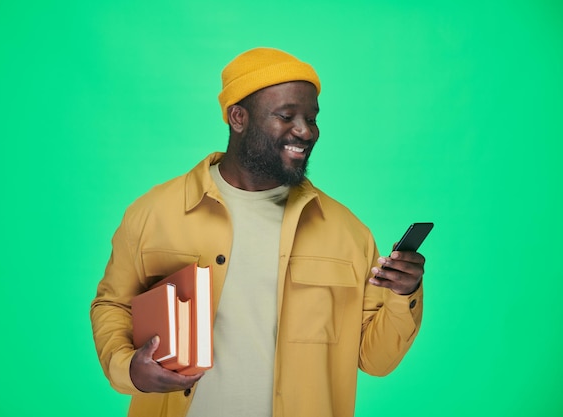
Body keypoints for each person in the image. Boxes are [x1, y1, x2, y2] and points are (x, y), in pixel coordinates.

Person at [90, 47, 426, 417]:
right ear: (238, 117)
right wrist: (128, 368)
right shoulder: (153, 214)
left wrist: (402, 294)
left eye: (311, 118)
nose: (305, 131)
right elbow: (113, 305)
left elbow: (375, 359)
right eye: (287, 116)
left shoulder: (348, 233)